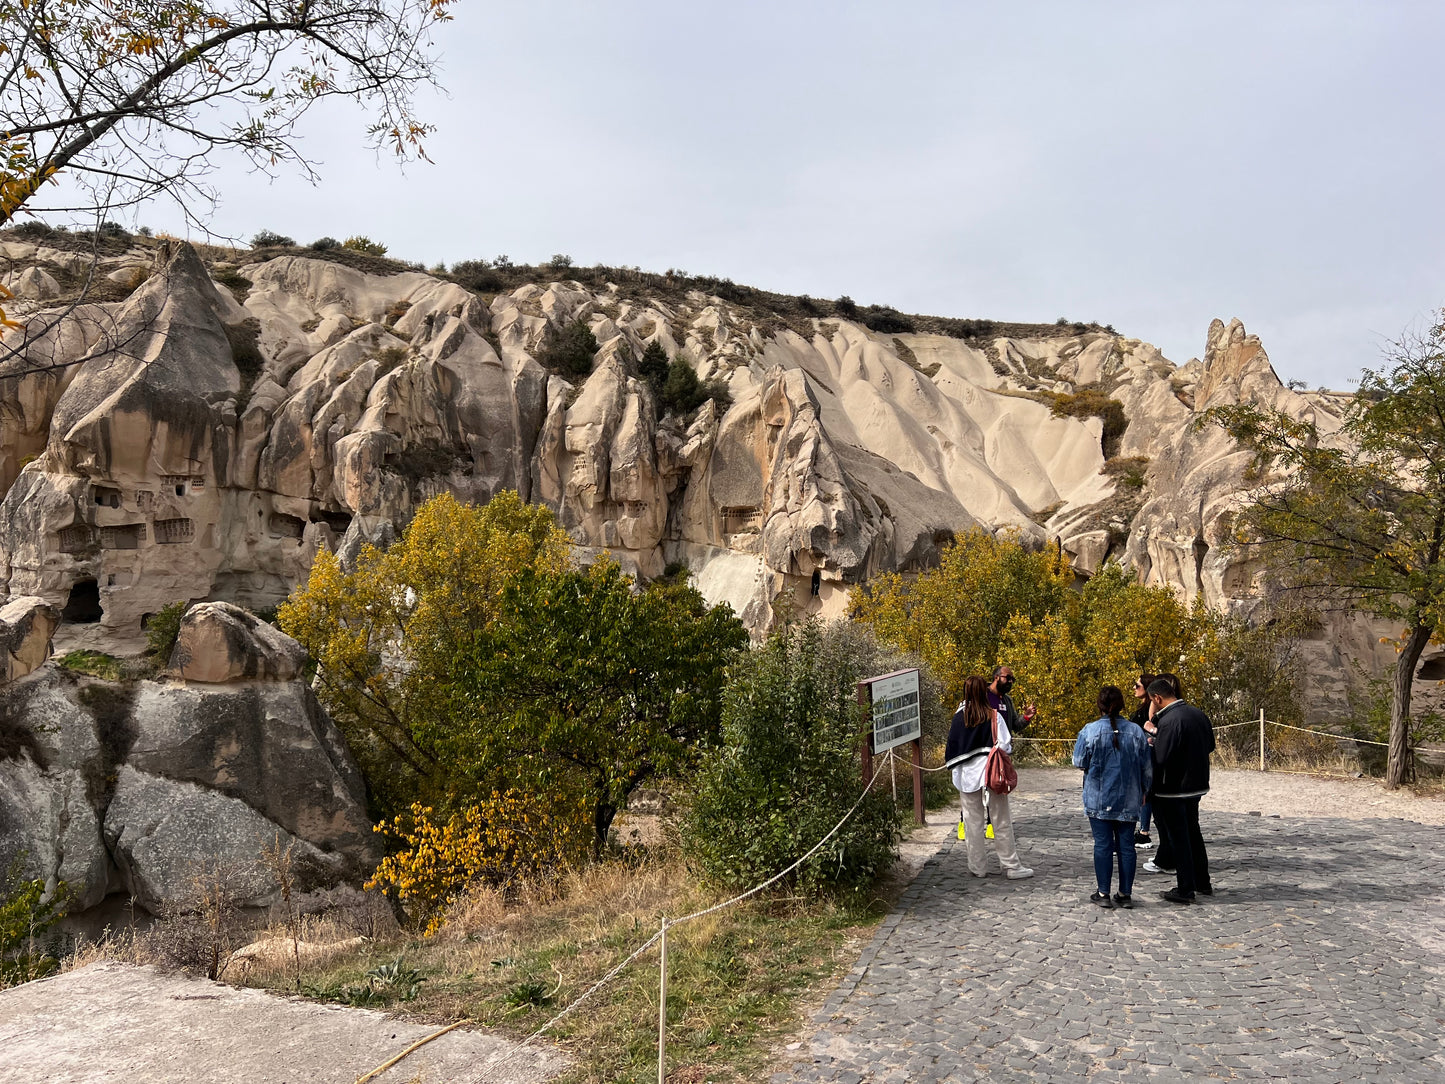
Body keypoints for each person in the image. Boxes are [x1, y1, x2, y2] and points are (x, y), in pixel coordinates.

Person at [945, 675, 1033, 880]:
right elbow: (1005, 744)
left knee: (972, 822)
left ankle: (978, 867)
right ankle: (1011, 865)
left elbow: (952, 748)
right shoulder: (993, 716)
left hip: (967, 776)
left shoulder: (959, 718)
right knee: (1001, 820)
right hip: (993, 774)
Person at [1073, 686, 1152, 908]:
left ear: (1100, 705)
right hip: (1129, 796)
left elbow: (1079, 761)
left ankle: (1103, 892)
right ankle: (1125, 893)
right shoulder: (1136, 732)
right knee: (1126, 845)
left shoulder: (1090, 730)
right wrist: (1145, 790)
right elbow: (1147, 767)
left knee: (1103, 844)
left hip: (1099, 796)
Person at [1147, 676, 1215, 904]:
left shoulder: (1170, 720)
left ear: (1157, 698)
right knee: (1193, 833)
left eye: (1152, 701)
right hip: (1197, 784)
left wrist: (1153, 742)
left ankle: (1185, 888)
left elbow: (1162, 756)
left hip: (1174, 788)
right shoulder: (1198, 714)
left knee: (1179, 838)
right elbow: (1210, 746)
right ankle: (1202, 881)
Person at [1141, 672, 1182, 875]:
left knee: (1165, 820)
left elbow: (1164, 745)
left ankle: (1168, 860)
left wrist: (1153, 732)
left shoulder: (1169, 716)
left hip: (1167, 780)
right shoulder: (1185, 712)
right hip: (1183, 781)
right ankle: (1169, 856)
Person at [1128, 673, 1157, 848]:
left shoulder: (1150, 708)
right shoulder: (1143, 707)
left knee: (1145, 791)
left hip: (1146, 754)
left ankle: (1144, 832)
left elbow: (1151, 725)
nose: (1134, 688)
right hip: (1141, 753)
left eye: (1137, 685)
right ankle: (1143, 830)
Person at [988, 665, 1036, 736]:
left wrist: (1026, 717)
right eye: (1008, 678)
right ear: (996, 677)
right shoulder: (981, 696)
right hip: (985, 745)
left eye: (1012, 679)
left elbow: (1015, 726)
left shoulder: (1007, 700)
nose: (1010, 681)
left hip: (1004, 746)